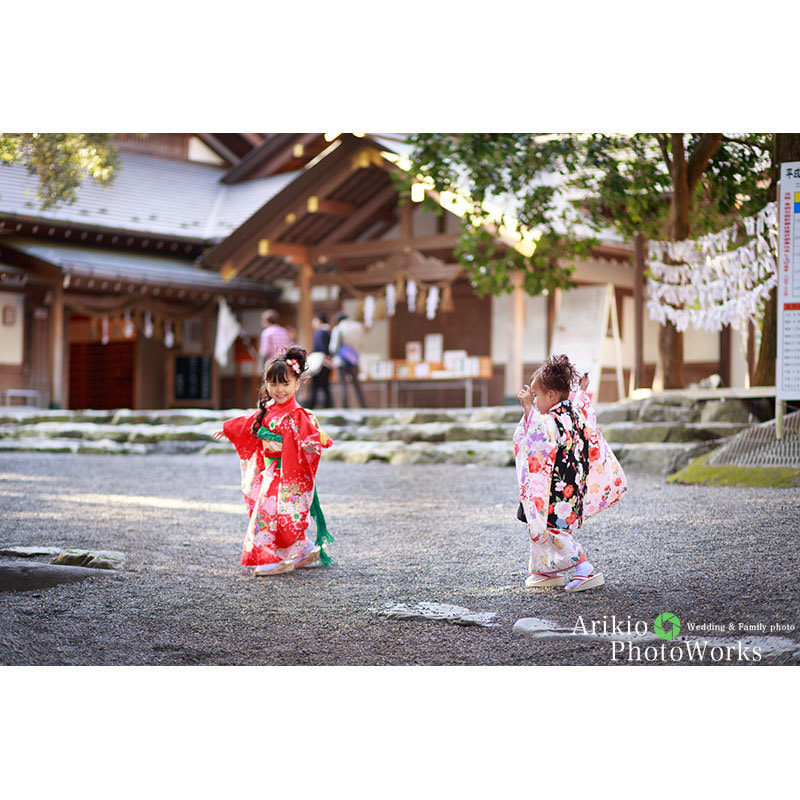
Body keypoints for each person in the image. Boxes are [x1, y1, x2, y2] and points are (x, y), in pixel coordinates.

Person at [213, 346, 334, 576]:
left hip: (288, 472)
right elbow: (248, 424)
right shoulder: (267, 411)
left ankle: (272, 557)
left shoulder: (299, 414)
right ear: (266, 384)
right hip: (270, 472)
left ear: (297, 384)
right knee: (279, 516)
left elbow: (311, 437)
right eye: (274, 383)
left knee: (271, 515)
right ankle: (301, 548)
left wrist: (307, 446)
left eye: (285, 384)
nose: (279, 389)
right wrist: (228, 429)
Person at [514, 354, 627, 592]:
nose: (534, 401)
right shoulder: (572, 412)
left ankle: (584, 569)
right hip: (570, 486)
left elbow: (539, 437)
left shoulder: (553, 420)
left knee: (552, 528)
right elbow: (583, 410)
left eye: (536, 396)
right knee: (547, 526)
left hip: (556, 491)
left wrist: (527, 412)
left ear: (552, 396)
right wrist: (582, 391)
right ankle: (546, 570)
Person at [329, 311, 366, 408]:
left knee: (343, 385)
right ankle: (363, 405)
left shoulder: (338, 328)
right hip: (354, 359)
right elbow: (361, 344)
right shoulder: (358, 327)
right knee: (357, 385)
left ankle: (345, 407)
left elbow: (333, 347)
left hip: (342, 360)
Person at [306, 313, 333, 409]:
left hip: (320, 362)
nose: (313, 323)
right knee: (325, 386)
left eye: (314, 320)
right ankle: (328, 406)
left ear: (319, 321)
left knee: (314, 386)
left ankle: (311, 406)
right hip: (328, 362)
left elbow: (320, 347)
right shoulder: (329, 331)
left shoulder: (320, 332)